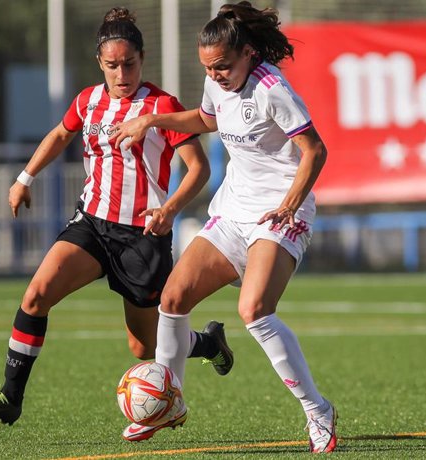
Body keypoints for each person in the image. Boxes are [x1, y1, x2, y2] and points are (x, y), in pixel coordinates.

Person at [0, 8, 233, 431]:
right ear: (99, 64)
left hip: (142, 236)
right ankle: (10, 397)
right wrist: (24, 178)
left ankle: (208, 342)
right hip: (90, 224)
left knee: (143, 347)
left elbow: (198, 168)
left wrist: (169, 210)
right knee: (36, 295)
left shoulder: (161, 106)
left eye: (130, 64)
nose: (122, 73)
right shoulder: (88, 100)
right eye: (112, 65)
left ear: (142, 59)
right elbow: (59, 135)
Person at [111, 2, 337, 453]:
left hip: (280, 213)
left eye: (222, 67)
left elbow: (315, 150)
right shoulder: (218, 83)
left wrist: (290, 204)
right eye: (208, 69)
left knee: (254, 310)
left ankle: (318, 411)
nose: (215, 75)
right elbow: (205, 120)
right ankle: (168, 402)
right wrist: (151, 119)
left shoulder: (273, 88)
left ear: (249, 53)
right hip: (233, 210)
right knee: (172, 299)